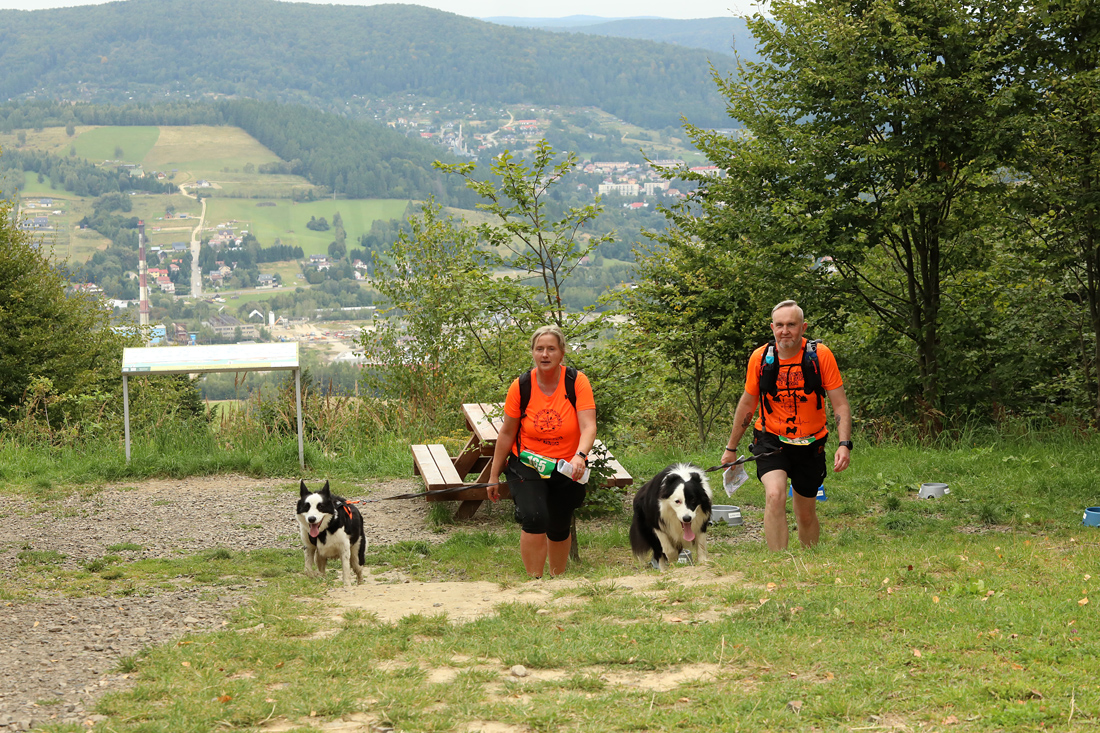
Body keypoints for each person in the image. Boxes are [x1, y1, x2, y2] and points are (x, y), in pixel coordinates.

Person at [722, 300, 852, 551]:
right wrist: (731, 448)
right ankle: (778, 563)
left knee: (805, 512)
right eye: (779, 325)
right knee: (775, 495)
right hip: (771, 439)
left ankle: (809, 560)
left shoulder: (820, 355)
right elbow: (747, 404)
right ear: (772, 328)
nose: (785, 331)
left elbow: (840, 404)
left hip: (811, 442)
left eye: (791, 325)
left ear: (803, 327)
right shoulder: (761, 358)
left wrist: (844, 444)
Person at [488, 325, 597, 578]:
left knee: (559, 523)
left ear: (562, 353)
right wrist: (493, 476)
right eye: (539, 349)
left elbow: (588, 425)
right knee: (535, 517)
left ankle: (557, 581)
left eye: (551, 349)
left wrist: (580, 455)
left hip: (566, 465)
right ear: (533, 353)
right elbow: (506, 433)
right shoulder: (521, 386)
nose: (545, 354)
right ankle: (534, 583)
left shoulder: (576, 382)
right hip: (527, 462)